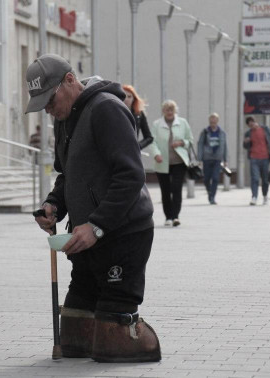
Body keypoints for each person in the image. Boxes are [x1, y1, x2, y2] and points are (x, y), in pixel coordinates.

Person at [26, 54, 160, 362]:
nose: (47, 108)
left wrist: (97, 225)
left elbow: (131, 176)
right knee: (73, 332)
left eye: (49, 99)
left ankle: (133, 332)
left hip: (123, 232)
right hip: (86, 236)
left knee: (113, 342)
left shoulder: (107, 110)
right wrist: (53, 204)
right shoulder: (63, 120)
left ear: (70, 81)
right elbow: (68, 174)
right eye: (41, 103)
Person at [149, 100, 193, 226]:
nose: (169, 112)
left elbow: (190, 140)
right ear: (163, 111)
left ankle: (175, 216)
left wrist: (181, 143)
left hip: (179, 161)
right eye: (167, 110)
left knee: (176, 188)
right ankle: (168, 217)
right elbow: (152, 142)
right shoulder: (157, 124)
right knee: (166, 190)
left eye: (171, 110)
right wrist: (156, 154)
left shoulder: (183, 123)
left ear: (175, 111)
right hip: (162, 162)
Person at [243, 116, 270, 206]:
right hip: (254, 158)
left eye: (253, 123)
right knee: (254, 178)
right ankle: (254, 197)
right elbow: (245, 146)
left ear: (256, 122)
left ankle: (265, 196)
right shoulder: (248, 133)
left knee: (265, 179)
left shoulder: (265, 129)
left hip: (265, 158)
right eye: (249, 125)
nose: (252, 125)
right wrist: (246, 142)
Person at [197, 113, 228, 205]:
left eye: (214, 121)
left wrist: (225, 159)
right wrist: (199, 159)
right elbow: (200, 145)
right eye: (211, 121)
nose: (213, 123)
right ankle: (209, 191)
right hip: (207, 158)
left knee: (215, 178)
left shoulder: (222, 133)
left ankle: (212, 197)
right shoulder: (205, 132)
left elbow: (225, 146)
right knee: (206, 179)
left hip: (217, 158)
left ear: (217, 121)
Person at [122, 85, 153, 150]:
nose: (126, 99)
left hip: (132, 152)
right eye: (124, 96)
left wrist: (138, 146)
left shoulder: (139, 114)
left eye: (129, 96)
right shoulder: (114, 112)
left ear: (134, 98)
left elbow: (149, 137)